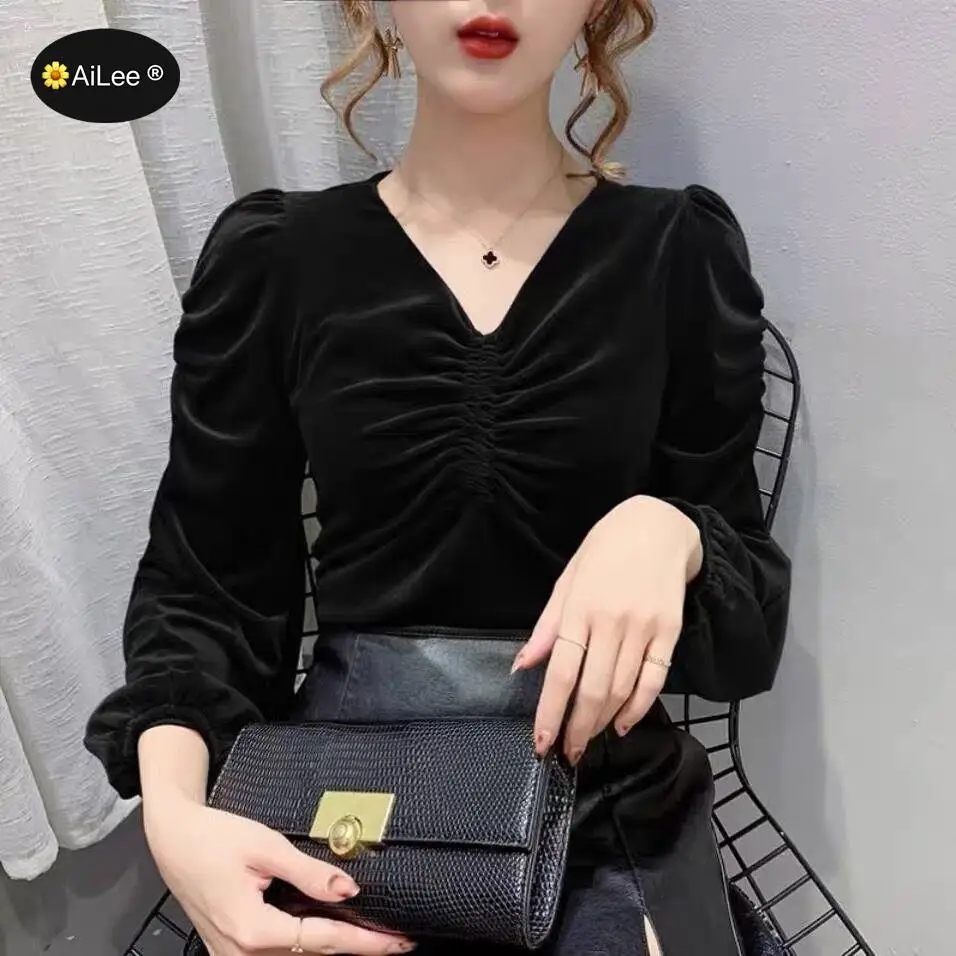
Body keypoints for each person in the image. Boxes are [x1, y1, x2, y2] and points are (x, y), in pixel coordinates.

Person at [85, 1, 791, 954]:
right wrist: (175, 819)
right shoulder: (278, 259)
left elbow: (745, 639)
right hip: (349, 810)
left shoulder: (677, 251)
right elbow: (204, 587)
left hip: (605, 805)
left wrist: (672, 532)